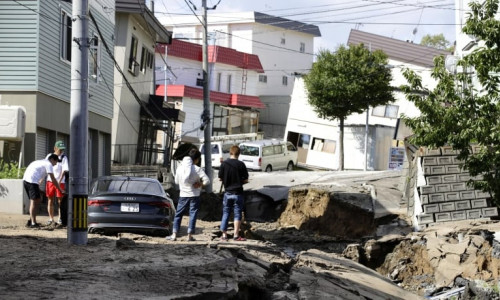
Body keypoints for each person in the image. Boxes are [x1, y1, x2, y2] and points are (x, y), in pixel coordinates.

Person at [167, 148, 210, 242]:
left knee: (178, 214)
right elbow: (207, 181)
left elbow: (176, 182)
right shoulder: (197, 169)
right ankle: (189, 236)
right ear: (197, 159)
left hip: (183, 195)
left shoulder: (180, 168)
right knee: (193, 214)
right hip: (194, 195)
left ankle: (174, 235)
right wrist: (200, 184)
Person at [23, 154, 64, 228]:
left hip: (26, 180)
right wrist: (60, 189)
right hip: (31, 181)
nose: (55, 164)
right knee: (34, 201)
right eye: (56, 162)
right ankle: (32, 223)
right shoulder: (48, 164)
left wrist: (39, 190)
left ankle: (32, 220)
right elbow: (53, 179)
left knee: (37, 200)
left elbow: (38, 179)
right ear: (52, 159)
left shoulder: (41, 162)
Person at [218, 145, 249, 241]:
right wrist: (240, 181)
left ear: (230, 153)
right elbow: (246, 179)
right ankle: (236, 235)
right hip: (238, 193)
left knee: (226, 212)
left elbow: (220, 178)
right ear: (239, 154)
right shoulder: (241, 164)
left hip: (227, 193)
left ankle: (224, 235)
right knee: (237, 214)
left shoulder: (224, 164)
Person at [45, 140, 69, 225]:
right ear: (55, 148)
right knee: (50, 199)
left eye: (62, 149)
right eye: (60, 149)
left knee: (60, 201)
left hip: (60, 182)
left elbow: (65, 170)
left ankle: (60, 218)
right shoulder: (49, 156)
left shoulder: (64, 158)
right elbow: (46, 167)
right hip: (50, 181)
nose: (61, 151)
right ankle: (51, 218)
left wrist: (59, 180)